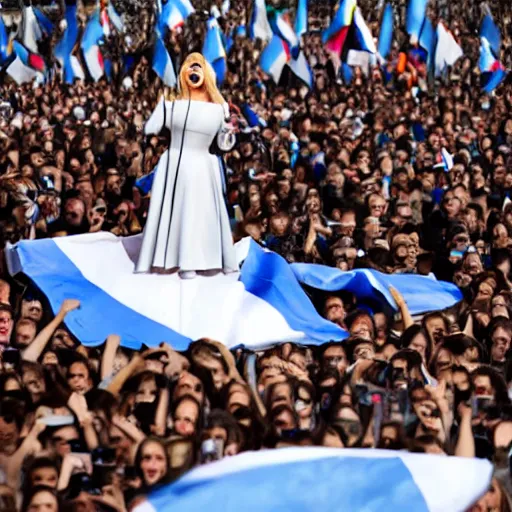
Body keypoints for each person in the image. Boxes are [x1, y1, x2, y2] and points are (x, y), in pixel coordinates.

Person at [135, 53, 238, 278]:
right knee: (180, 211)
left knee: (198, 213)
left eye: (198, 67)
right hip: (174, 164)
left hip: (203, 164)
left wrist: (229, 133)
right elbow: (150, 129)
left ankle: (203, 260)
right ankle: (176, 260)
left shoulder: (219, 109)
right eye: (190, 67)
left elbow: (223, 144)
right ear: (183, 73)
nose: (194, 72)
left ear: (206, 74)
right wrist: (159, 108)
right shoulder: (172, 106)